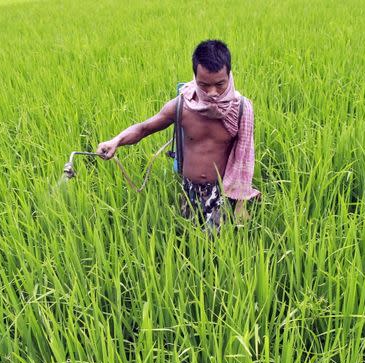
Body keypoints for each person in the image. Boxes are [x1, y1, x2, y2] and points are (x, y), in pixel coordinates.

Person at [96, 39, 259, 235]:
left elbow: (244, 161)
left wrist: (241, 205)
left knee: (217, 248)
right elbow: (144, 128)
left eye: (220, 84)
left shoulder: (240, 109)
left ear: (229, 76)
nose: (212, 92)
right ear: (195, 77)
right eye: (204, 85)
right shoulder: (183, 105)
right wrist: (116, 140)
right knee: (187, 241)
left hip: (222, 193)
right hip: (188, 190)